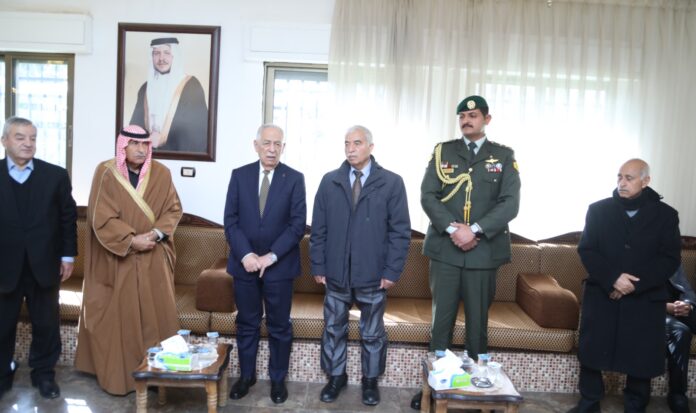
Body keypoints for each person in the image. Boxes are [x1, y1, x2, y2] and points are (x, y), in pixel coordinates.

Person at [412, 95, 520, 410]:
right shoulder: (442, 152)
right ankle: (435, 388)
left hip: (483, 252)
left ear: (487, 119)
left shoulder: (503, 156)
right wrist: (453, 229)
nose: (466, 120)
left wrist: (473, 230)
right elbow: (428, 195)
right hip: (446, 250)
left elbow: (510, 203)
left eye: (473, 115)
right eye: (462, 116)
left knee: (477, 324)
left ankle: (478, 387)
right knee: (441, 322)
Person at [74, 125, 183, 395]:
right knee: (122, 319)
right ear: (123, 146)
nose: (140, 149)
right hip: (119, 257)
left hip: (153, 256)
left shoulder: (162, 173)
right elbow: (101, 218)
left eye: (145, 144)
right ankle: (122, 377)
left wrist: (155, 234)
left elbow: (173, 209)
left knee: (156, 318)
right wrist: (132, 240)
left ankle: (157, 377)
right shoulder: (106, 173)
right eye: (134, 143)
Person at [310, 125, 411, 406]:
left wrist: (391, 271)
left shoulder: (391, 183)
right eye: (347, 144)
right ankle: (336, 378)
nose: (350, 149)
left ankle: (370, 381)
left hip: (373, 275)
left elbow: (400, 232)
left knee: (372, 333)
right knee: (333, 328)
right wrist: (318, 265)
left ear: (370, 147)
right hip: (336, 274)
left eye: (357, 143)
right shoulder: (330, 181)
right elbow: (318, 229)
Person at [570, 159, 681, 413]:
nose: (622, 182)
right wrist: (613, 278)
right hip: (603, 291)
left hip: (645, 296)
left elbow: (669, 259)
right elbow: (587, 250)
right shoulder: (598, 210)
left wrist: (633, 284)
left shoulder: (666, 215)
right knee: (592, 351)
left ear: (646, 181)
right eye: (619, 177)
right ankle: (589, 404)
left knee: (641, 356)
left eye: (629, 178)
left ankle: (635, 406)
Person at [223, 124, 306, 404]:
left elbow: (297, 225)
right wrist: (246, 255)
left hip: (279, 267)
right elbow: (231, 221)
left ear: (283, 147)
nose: (272, 149)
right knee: (247, 323)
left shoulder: (294, 179)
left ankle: (278, 380)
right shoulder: (240, 175)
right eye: (267, 143)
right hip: (244, 265)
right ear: (256, 145)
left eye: (277, 144)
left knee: (279, 326)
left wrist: (271, 256)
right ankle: (246, 377)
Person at [0, 117, 77, 400]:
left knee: (46, 325)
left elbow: (68, 218)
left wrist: (67, 256)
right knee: (2, 325)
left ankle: (44, 375)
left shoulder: (55, 175)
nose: (28, 143)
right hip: (4, 265)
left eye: (32, 138)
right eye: (20, 137)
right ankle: (2, 374)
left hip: (44, 264)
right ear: (4, 141)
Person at [130, 37, 208, 153]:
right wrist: (146, 140)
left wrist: (163, 140)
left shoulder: (191, 86)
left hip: (178, 155)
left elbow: (196, 130)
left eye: (166, 52)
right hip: (148, 155)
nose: (161, 58)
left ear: (175, 56)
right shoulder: (145, 88)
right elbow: (135, 127)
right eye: (156, 53)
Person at [665, 265, 696, 413]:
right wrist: (666, 307)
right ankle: (677, 393)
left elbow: (686, 288)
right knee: (681, 332)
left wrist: (688, 304)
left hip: (678, 308)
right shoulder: (635, 257)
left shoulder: (670, 257)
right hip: (655, 311)